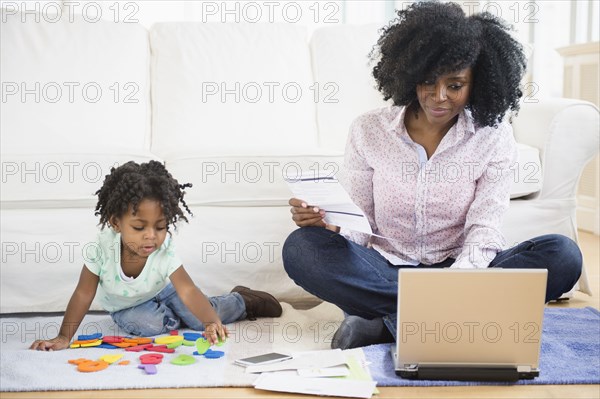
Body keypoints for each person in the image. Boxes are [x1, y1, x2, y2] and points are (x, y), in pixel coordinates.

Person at [282, 2, 582, 350]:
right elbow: (359, 222)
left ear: (476, 84)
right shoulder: (369, 130)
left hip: (464, 271)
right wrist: (329, 225)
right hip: (385, 269)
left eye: (455, 85)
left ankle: (388, 324)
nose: (439, 97)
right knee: (302, 248)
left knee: (562, 255)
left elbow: (485, 227)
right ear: (409, 75)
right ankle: (450, 321)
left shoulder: (493, 135)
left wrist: (456, 282)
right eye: (427, 82)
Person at [30, 160, 282, 351]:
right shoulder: (101, 248)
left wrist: (208, 321)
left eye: (160, 227)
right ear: (116, 223)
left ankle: (242, 300)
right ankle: (175, 315)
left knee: (197, 317)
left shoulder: (162, 250)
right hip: (127, 304)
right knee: (149, 326)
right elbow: (84, 293)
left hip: (165, 289)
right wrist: (64, 337)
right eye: (139, 228)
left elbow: (187, 291)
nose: (151, 236)